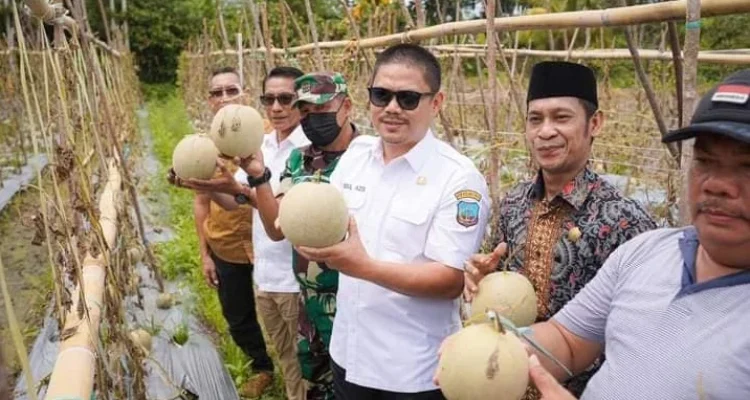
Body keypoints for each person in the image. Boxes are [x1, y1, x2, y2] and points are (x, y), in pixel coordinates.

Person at [443, 69, 750, 399]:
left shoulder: (624, 220)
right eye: (704, 161)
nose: (717, 184)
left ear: (595, 124)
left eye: (747, 166)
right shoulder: (647, 252)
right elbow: (568, 339)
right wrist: (485, 345)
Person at [295, 43, 490, 399]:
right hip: (349, 354)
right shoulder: (356, 156)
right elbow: (332, 226)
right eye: (381, 95)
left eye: (408, 98)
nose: (392, 108)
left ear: (437, 102)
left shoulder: (459, 180)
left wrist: (364, 267)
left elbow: (450, 279)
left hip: (411, 373)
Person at [462, 61, 656, 397]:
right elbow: (498, 283)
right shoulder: (513, 203)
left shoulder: (624, 222)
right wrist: (481, 278)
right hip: (504, 383)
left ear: (594, 123)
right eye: (535, 119)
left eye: (561, 118)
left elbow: (644, 336)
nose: (545, 132)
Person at [196, 71, 359, 400]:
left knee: (347, 378)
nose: (278, 107)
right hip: (296, 286)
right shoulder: (295, 158)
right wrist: (250, 179)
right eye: (306, 109)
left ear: (347, 107)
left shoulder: (366, 156)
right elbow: (276, 224)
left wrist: (242, 187)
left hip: (343, 295)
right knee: (303, 369)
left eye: (286, 100)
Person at [167, 66, 275, 398]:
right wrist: (204, 254)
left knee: (286, 311)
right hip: (226, 244)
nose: (225, 97)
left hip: (271, 245)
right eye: (217, 92)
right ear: (209, 100)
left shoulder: (269, 137)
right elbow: (202, 203)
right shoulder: (202, 148)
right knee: (238, 314)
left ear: (245, 94)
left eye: (232, 90)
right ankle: (262, 367)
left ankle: (300, 370)